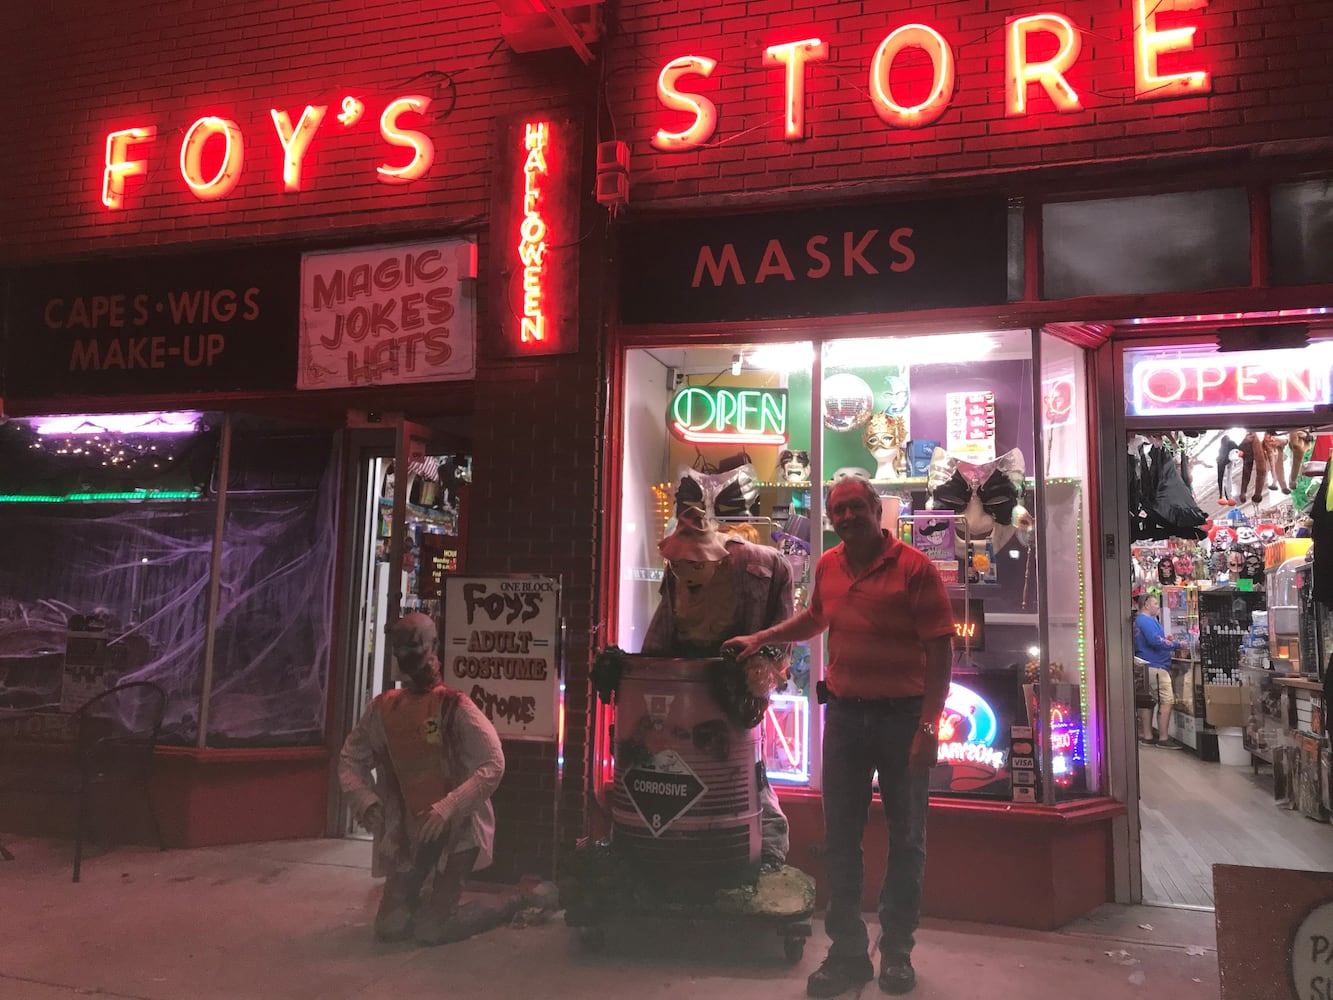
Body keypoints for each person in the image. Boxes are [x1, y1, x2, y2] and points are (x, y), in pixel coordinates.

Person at [725, 476, 953, 997]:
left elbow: (941, 650)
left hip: (902, 720)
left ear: (877, 510)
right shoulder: (828, 565)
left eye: (856, 507)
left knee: (908, 838)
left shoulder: (914, 569)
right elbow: (814, 618)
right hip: (846, 720)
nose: (847, 517)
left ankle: (896, 950)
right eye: (838, 510)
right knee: (841, 840)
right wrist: (761, 638)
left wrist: (927, 727)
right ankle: (847, 951)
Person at [339, 612, 505, 945]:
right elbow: (350, 759)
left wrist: (450, 806)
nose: (406, 654)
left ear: (432, 647)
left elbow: (493, 763)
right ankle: (420, 899)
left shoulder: (454, 706)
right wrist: (366, 802)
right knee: (390, 927)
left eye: (414, 644)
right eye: (399, 645)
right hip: (408, 833)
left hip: (456, 831)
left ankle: (505, 906)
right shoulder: (382, 709)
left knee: (432, 931)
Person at [641, 510, 793, 867]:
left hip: (738, 682)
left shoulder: (764, 566)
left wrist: (764, 667)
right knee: (691, 763)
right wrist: (646, 670)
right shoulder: (676, 570)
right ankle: (691, 849)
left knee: (745, 765)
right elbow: (664, 624)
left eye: (690, 566)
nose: (681, 573)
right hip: (689, 686)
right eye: (676, 566)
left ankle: (767, 851)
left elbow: (784, 628)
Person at [1134, 594, 1185, 750]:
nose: (1158, 606)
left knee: (1147, 702)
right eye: (1155, 603)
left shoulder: (1140, 621)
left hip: (1145, 665)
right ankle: (1163, 738)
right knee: (1166, 700)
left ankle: (1148, 736)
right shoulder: (1146, 621)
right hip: (1156, 666)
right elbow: (1155, 640)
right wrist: (1176, 644)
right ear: (1146, 605)